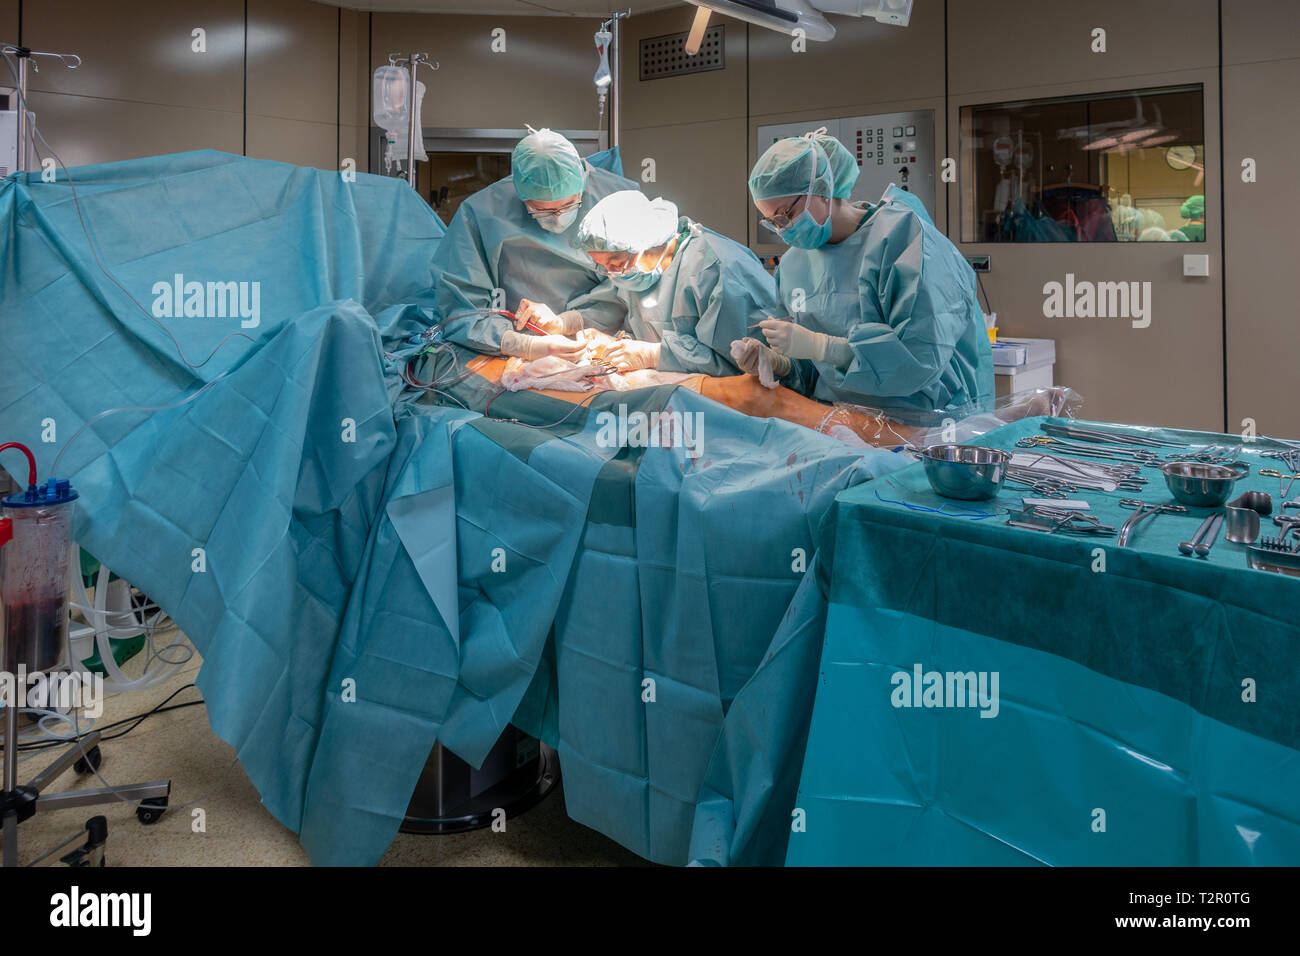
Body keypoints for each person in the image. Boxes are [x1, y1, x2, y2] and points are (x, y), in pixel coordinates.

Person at [741, 134, 994, 425]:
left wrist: (822, 346)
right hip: (842, 426)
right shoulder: (793, 265)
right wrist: (781, 363)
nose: (782, 229)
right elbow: (816, 371)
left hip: (925, 426)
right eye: (772, 222)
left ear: (822, 190)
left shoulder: (905, 242)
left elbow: (919, 360)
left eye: (786, 214)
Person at [431, 126, 638, 361]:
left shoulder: (619, 199)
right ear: (521, 196)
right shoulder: (482, 214)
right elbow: (460, 310)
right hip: (512, 346)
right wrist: (521, 344)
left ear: (583, 181)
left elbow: (633, 287)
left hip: (606, 338)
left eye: (569, 205)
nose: (558, 217)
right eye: (542, 211)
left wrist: (569, 322)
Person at [569, 190, 783, 376]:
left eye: (615, 263)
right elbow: (637, 319)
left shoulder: (717, 271)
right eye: (602, 266)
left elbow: (747, 366)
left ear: (649, 245)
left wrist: (655, 355)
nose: (612, 273)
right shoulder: (636, 273)